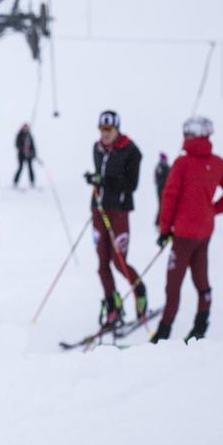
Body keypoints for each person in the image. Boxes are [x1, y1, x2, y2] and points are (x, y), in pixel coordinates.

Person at [152, 116, 223, 344]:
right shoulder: (217, 162)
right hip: (205, 232)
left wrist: (164, 229)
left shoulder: (182, 163)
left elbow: (169, 196)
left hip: (182, 235)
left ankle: (163, 333)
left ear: (193, 135)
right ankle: (201, 327)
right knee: (201, 280)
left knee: (173, 284)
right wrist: (211, 210)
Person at [86, 110, 146, 330]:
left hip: (118, 211)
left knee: (118, 260)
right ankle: (113, 304)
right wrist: (94, 180)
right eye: (102, 129)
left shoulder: (131, 151)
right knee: (102, 263)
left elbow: (131, 185)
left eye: (109, 130)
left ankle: (140, 291)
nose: (105, 134)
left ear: (117, 129)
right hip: (99, 209)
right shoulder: (97, 148)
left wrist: (105, 180)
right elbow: (99, 176)